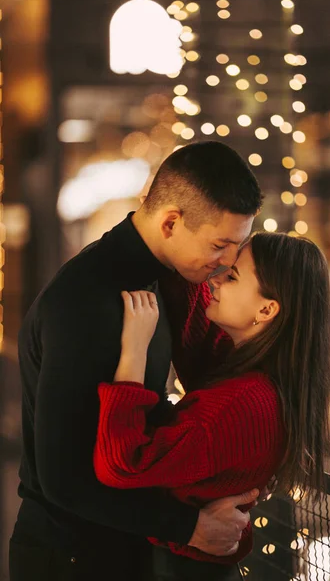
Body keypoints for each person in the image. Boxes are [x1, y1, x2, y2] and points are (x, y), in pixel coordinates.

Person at [9, 141, 263, 581]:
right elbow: (61, 477)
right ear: (171, 222)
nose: (225, 263)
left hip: (114, 545)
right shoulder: (88, 301)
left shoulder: (161, 279)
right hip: (70, 558)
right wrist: (191, 528)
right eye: (220, 245)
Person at [93, 231, 330, 581]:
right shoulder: (259, 372)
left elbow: (121, 465)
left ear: (267, 308)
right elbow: (197, 335)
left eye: (233, 276)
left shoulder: (243, 403)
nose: (217, 278)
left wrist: (134, 351)